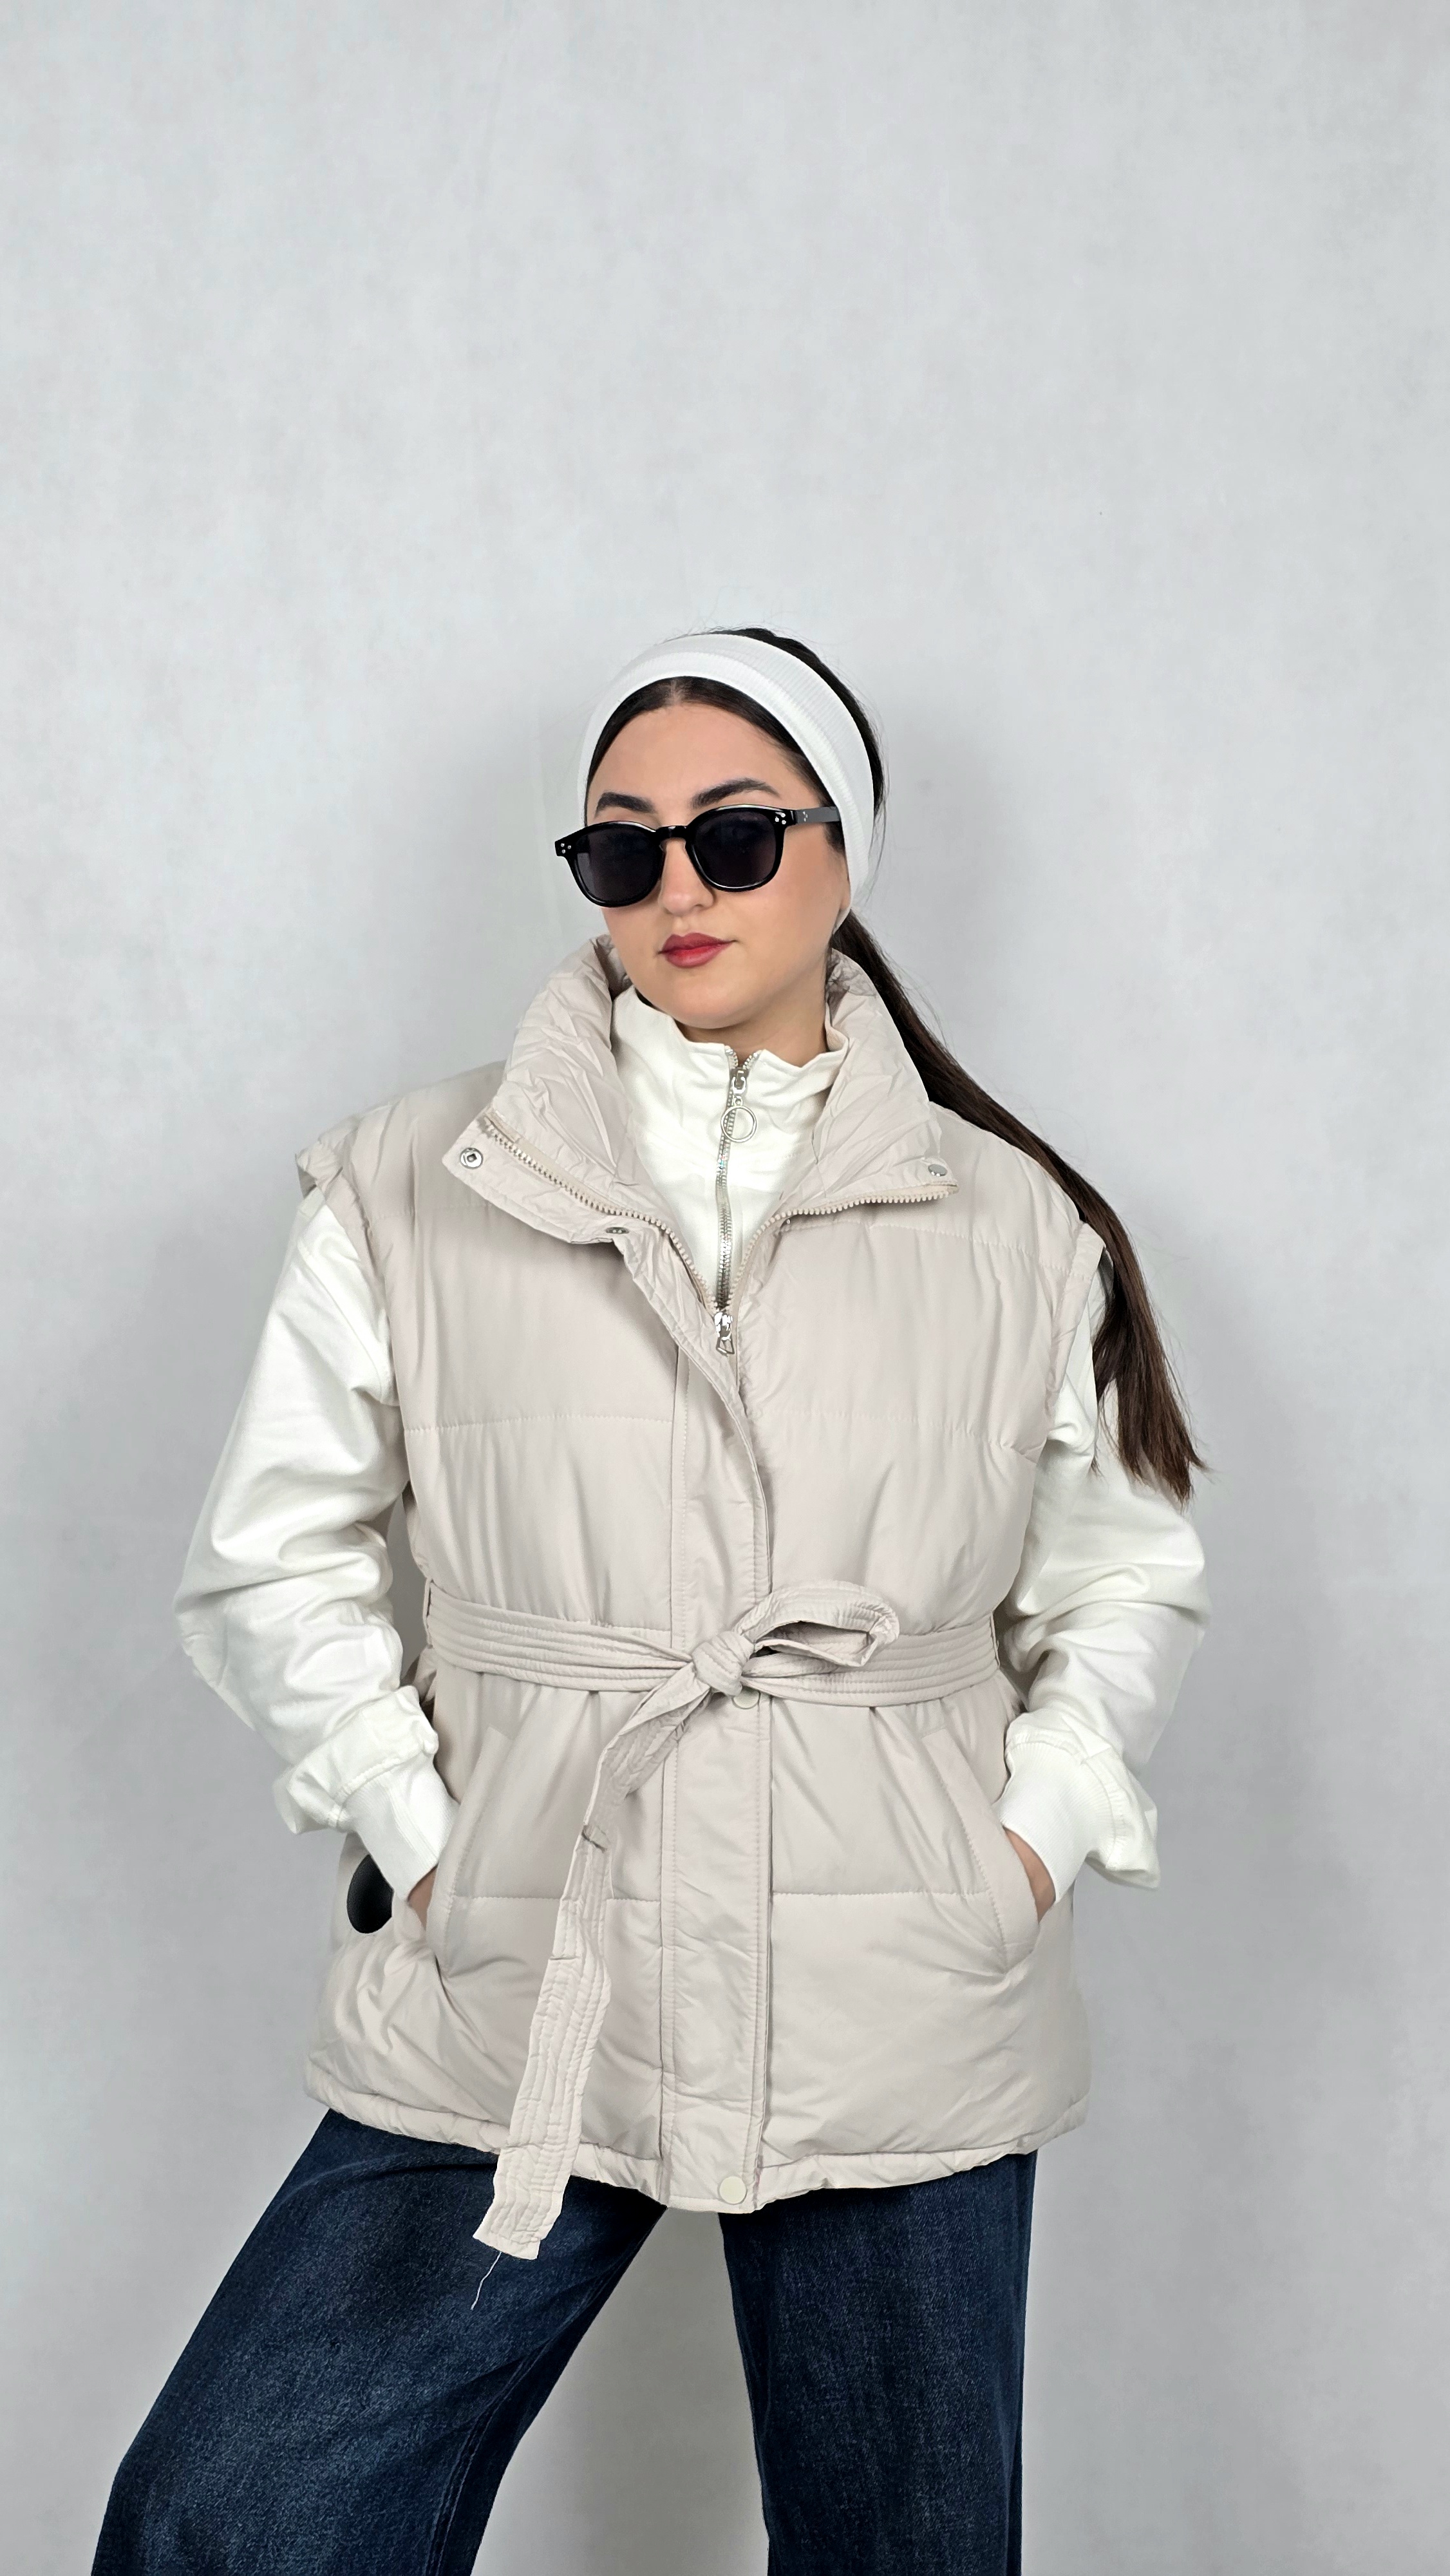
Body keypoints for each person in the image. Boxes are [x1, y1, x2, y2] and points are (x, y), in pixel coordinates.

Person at [95, 629, 1209, 2575]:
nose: (677, 886)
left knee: (907, 2552)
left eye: (736, 835)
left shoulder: (1011, 1222)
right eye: (622, 847)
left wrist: (1020, 1849)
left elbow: (1119, 1573)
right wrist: (429, 1845)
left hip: (898, 1977)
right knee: (239, 2515)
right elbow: (272, 1554)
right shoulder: (413, 1182)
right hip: (529, 1942)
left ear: (846, 854)